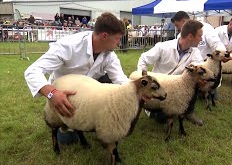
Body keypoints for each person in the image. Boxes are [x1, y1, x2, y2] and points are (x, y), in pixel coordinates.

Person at [24, 12, 128, 143]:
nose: (119, 43)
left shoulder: (109, 55)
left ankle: (94, 118)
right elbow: (32, 71)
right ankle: (64, 121)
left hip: (89, 92)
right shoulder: (68, 46)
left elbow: (120, 79)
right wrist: (52, 94)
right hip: (66, 93)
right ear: (104, 36)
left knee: (107, 81)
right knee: (67, 141)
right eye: (118, 38)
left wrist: (137, 91)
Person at [137, 20, 204, 126]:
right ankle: (156, 110)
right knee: (161, 118)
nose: (201, 39)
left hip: (177, 89)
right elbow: (143, 59)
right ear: (190, 36)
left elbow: (200, 66)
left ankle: (189, 111)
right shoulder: (163, 47)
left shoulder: (195, 52)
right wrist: (144, 80)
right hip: (158, 88)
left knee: (196, 81)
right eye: (200, 36)